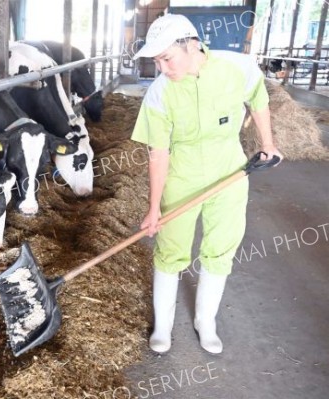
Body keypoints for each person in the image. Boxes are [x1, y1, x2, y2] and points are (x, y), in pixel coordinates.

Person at [131, 13, 283, 354]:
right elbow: (158, 153)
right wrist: (154, 208)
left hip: (230, 170)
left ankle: (206, 321)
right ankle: (164, 326)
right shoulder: (159, 94)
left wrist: (268, 144)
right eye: (156, 60)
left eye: (166, 58)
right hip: (181, 173)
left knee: (221, 245)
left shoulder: (238, 67)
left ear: (193, 45)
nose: (162, 67)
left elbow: (258, 99)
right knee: (171, 249)